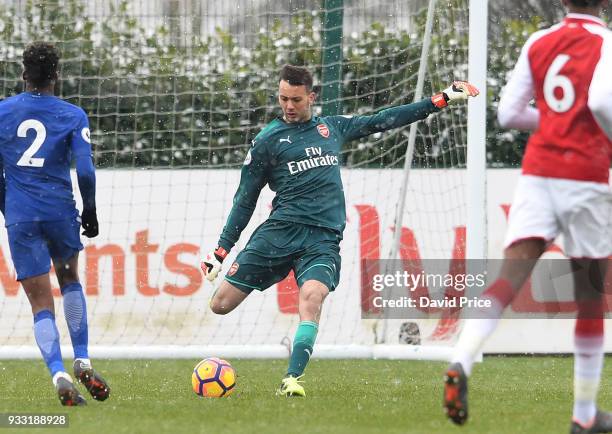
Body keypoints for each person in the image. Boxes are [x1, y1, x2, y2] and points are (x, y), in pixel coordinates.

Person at [201, 64, 479, 396]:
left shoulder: (332, 128)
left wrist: (442, 98)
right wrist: (221, 250)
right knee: (220, 304)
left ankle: (291, 379)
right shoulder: (267, 142)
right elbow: (245, 199)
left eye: (296, 99)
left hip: (321, 239)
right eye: (283, 98)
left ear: (311, 97)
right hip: (279, 233)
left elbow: (382, 119)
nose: (289, 106)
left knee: (312, 297)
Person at [443, 1, 612, 432]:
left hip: (538, 174)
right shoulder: (606, 43)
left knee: (509, 276)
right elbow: (603, 102)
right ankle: (584, 415)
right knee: (590, 293)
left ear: (561, 2)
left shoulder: (539, 40)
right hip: (586, 177)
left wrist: (555, 123)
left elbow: (508, 113)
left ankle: (461, 358)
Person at [0, 42, 110, 406]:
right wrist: (89, 211)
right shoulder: (73, 114)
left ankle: (58, 373)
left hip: (22, 217)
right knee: (69, 281)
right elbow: (87, 172)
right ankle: (82, 358)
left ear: (23, 74)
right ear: (56, 76)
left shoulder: (3, 112)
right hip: (61, 213)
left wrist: (9, 209)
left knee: (40, 302)